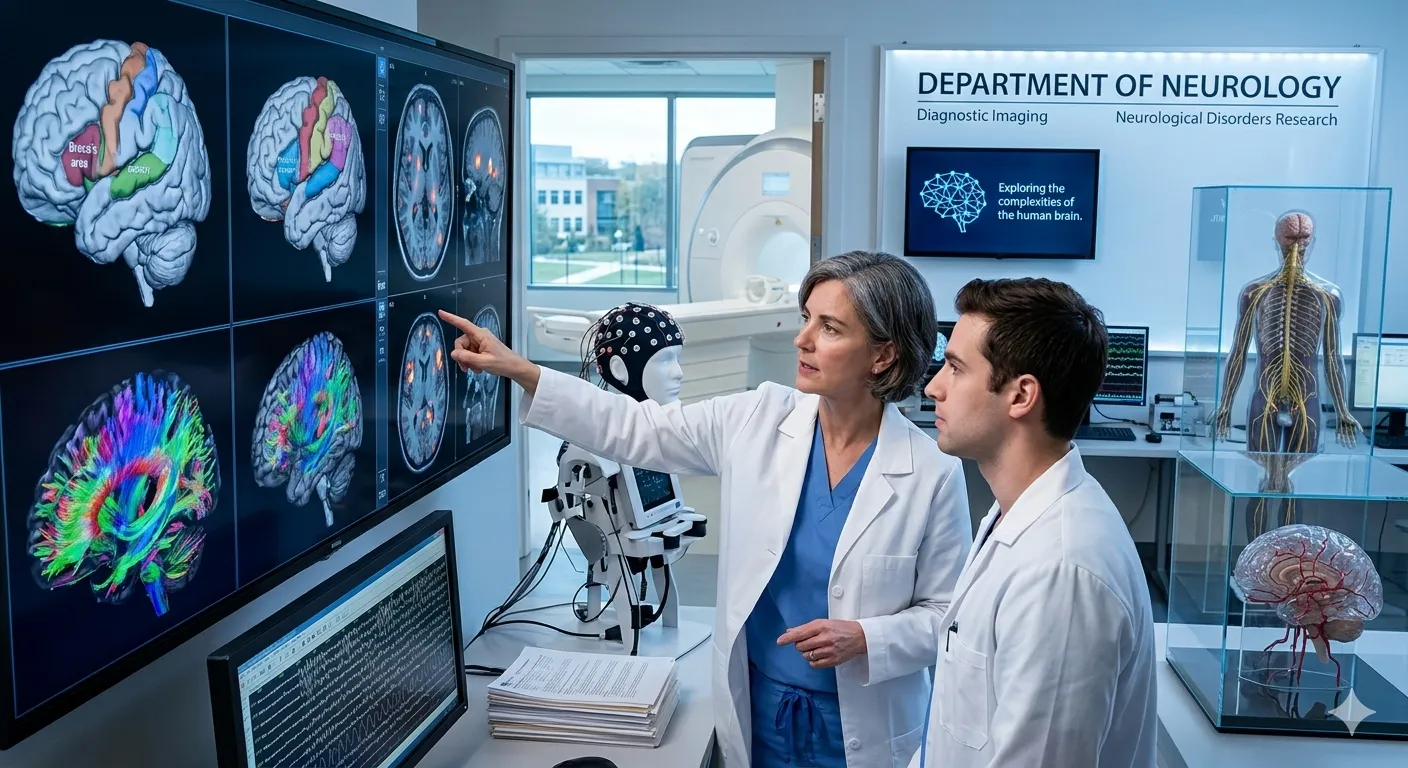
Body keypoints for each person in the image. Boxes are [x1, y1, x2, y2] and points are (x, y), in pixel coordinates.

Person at [440, 251, 972, 768]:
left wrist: (867, 637)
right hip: (758, 713)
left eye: (829, 328)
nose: (803, 338)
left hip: (865, 730)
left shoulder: (929, 473)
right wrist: (522, 370)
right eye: (807, 318)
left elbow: (946, 618)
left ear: (883, 355)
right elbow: (637, 428)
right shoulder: (758, 417)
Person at [910, 278, 1157, 768]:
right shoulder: (1014, 516)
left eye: (956, 368)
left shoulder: (1061, 574)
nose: (933, 386)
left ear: (1021, 395)